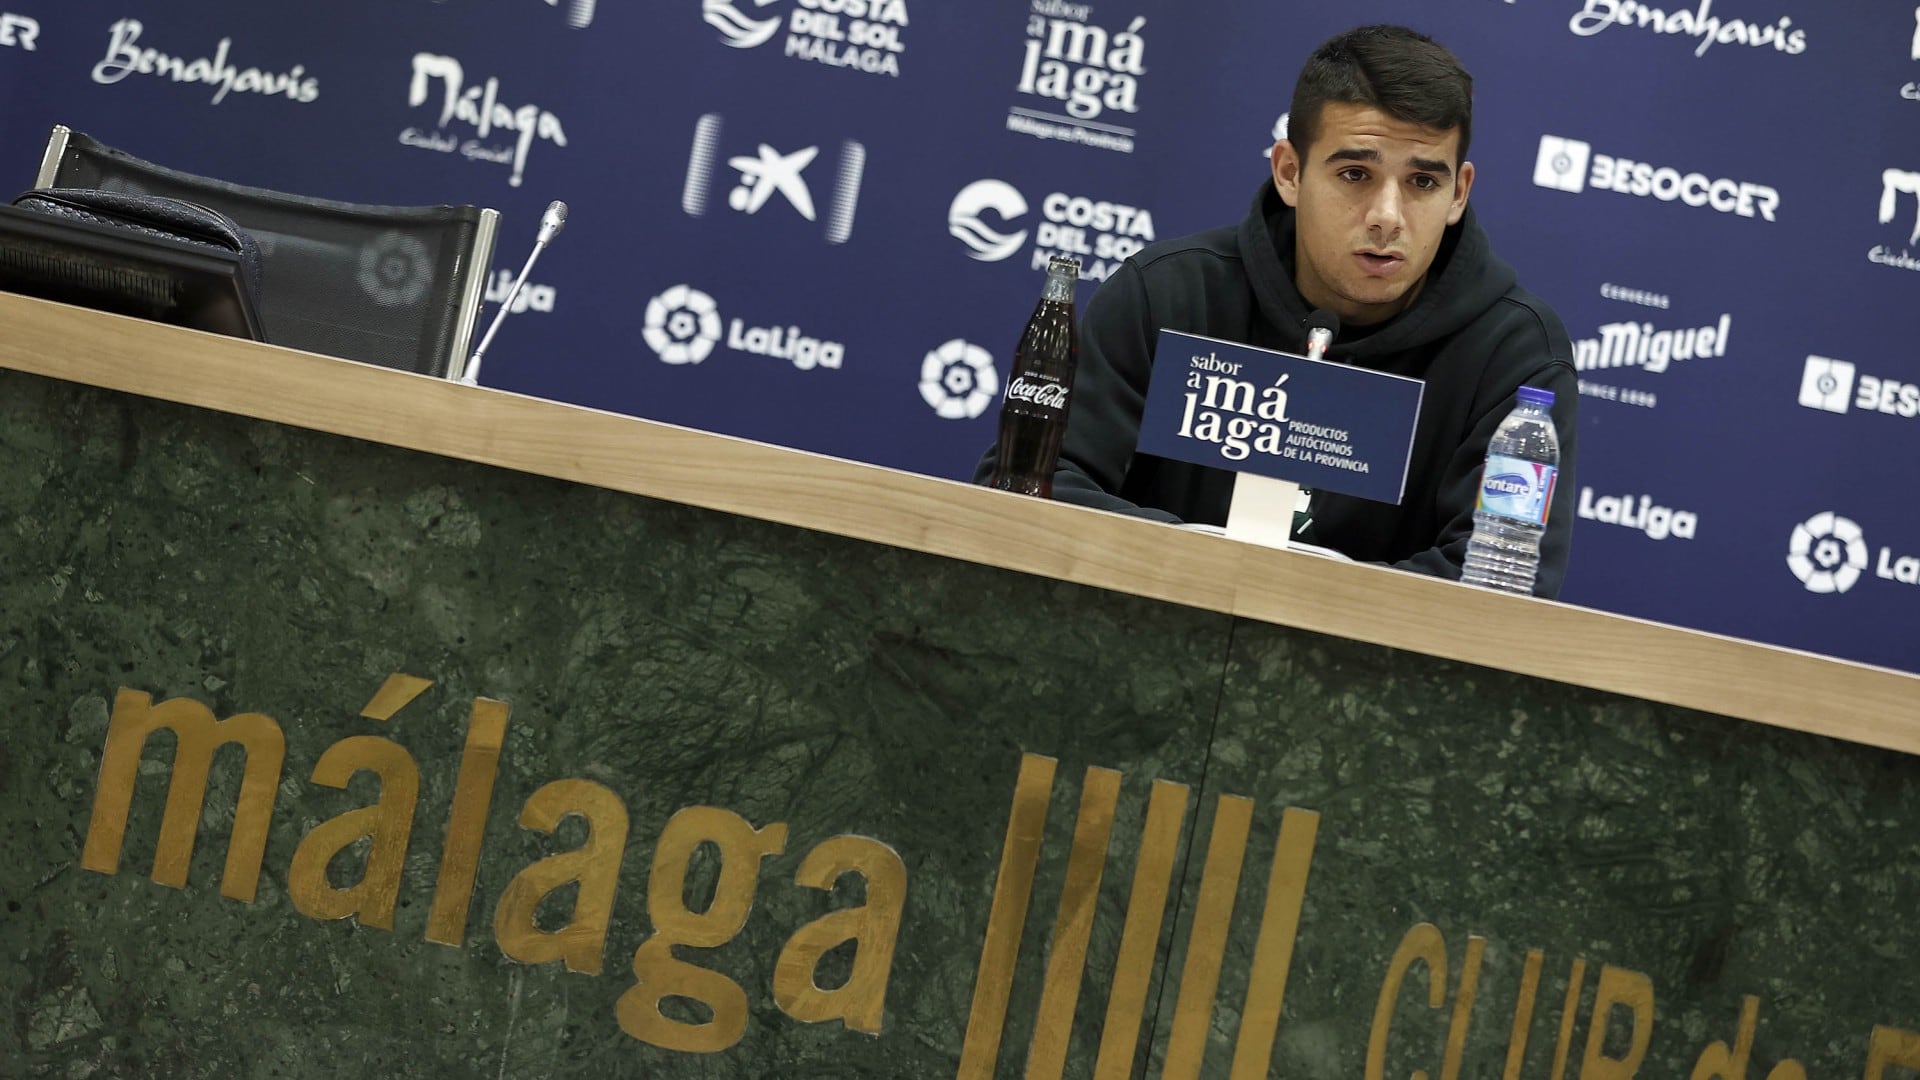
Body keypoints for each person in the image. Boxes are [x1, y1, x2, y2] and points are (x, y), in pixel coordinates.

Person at [977, 24, 1579, 598]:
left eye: (1423, 183)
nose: (1387, 216)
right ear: (1290, 172)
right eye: (1355, 174)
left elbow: (1497, 584)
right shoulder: (1165, 295)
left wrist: (1287, 597)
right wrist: (1226, 579)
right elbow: (1028, 487)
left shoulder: (1514, 354)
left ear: (1459, 193)